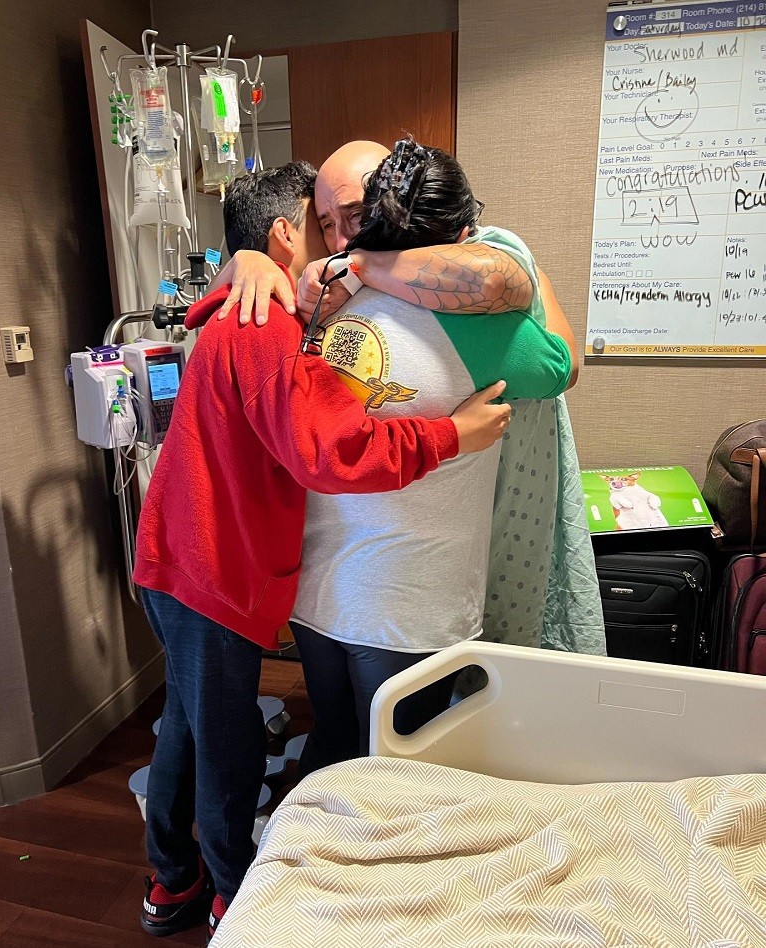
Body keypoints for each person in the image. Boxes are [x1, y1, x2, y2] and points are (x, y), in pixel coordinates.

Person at [132, 162, 512, 941]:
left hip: (175, 561)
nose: (338, 242)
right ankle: (237, 901)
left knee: (185, 724)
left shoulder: (245, 304)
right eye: (323, 224)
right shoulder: (264, 320)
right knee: (226, 748)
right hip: (213, 577)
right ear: (282, 236)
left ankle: (170, 880)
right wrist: (452, 434)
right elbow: (328, 454)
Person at [214, 139, 605, 664]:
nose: (340, 236)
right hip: (404, 605)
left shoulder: (319, 302)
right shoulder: (326, 301)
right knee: (399, 744)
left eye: (352, 214)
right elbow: (562, 364)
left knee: (338, 738)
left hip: (318, 592)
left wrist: (256, 263)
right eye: (325, 223)